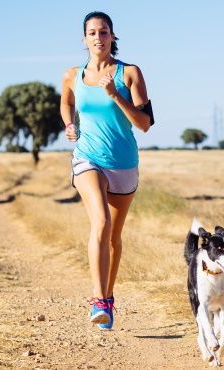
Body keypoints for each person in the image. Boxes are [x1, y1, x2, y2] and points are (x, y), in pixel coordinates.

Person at [60, 11, 153, 330]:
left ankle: (109, 299)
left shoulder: (130, 73)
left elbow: (144, 124)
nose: (98, 37)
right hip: (88, 158)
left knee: (114, 235)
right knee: (101, 220)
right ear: (84, 39)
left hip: (124, 163)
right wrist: (70, 124)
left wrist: (116, 96)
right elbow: (66, 102)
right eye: (91, 33)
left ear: (113, 36)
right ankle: (98, 302)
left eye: (104, 32)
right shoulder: (73, 74)